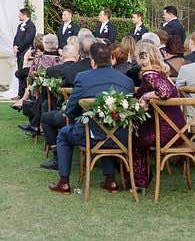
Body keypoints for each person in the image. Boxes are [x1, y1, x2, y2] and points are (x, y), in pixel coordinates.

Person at [47, 42, 135, 194]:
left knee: (63, 134)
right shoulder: (127, 80)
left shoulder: (83, 78)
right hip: (122, 136)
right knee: (106, 128)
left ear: (92, 61)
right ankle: (110, 180)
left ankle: (64, 182)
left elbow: (70, 110)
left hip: (92, 136)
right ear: (111, 58)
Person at [131, 41, 184, 191]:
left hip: (165, 133)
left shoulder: (149, 74)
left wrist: (146, 95)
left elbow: (164, 92)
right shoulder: (162, 74)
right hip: (179, 131)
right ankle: (143, 178)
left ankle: (141, 182)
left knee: (134, 141)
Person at [12, 8, 36, 99]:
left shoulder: (31, 26)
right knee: (20, 73)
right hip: (19, 52)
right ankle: (20, 93)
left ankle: (25, 94)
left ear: (24, 15)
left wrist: (19, 47)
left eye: (20, 15)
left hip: (26, 53)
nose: (19, 16)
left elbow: (28, 39)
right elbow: (16, 37)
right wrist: (14, 46)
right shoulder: (20, 25)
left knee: (23, 73)